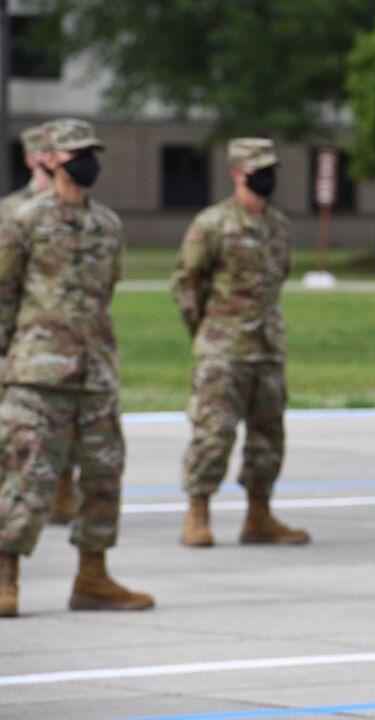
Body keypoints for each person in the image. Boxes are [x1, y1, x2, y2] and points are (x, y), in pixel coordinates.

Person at [0, 118, 154, 617]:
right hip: (38, 374)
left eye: (92, 152)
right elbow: (4, 295)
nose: (86, 162)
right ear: (49, 159)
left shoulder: (108, 224)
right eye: (75, 153)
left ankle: (93, 575)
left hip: (96, 372)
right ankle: (6, 577)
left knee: (105, 474)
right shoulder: (24, 220)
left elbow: (106, 292)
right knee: (26, 476)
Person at [170, 138, 309, 548]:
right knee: (214, 434)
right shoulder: (211, 224)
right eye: (257, 169)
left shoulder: (279, 227)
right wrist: (207, 331)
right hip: (223, 349)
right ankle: (197, 511)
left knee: (268, 437)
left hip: (266, 349)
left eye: (271, 169)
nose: (266, 177)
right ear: (236, 173)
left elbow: (278, 278)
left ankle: (259, 515)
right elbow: (186, 283)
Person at [0, 124, 82, 527]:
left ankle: (62, 491)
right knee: (16, 435)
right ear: (34, 159)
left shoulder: (79, 210)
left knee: (65, 423)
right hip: (19, 341)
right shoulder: (13, 212)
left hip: (64, 342)